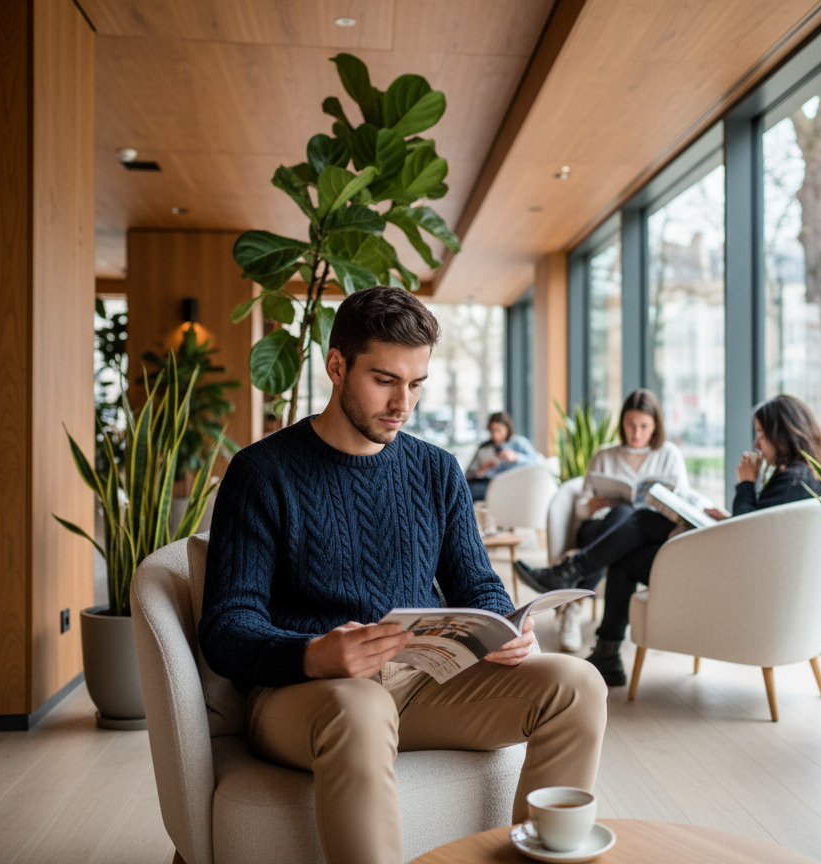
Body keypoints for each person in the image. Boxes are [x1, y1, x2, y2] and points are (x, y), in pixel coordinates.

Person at [197, 286, 606, 864]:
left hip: (421, 683)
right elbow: (226, 627)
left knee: (578, 684)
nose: (402, 403)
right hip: (305, 694)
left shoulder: (437, 470)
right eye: (385, 380)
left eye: (416, 384)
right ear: (336, 366)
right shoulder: (262, 473)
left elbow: (476, 583)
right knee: (361, 708)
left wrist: (505, 626)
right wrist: (312, 654)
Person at [568, 393, 821, 686]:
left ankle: (582, 594)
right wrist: (729, 519)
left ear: (783, 434)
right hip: (756, 576)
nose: (757, 444)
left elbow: (749, 538)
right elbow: (762, 529)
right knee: (641, 524)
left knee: (630, 547)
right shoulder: (808, 476)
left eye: (762, 435)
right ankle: (589, 611)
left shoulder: (792, 480)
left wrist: (747, 483)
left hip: (739, 580)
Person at [513, 389, 688, 657]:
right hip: (599, 527)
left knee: (628, 519)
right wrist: (592, 505)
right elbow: (581, 508)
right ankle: (604, 646)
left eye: (644, 426)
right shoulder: (605, 455)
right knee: (621, 515)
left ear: (655, 426)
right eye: (630, 424)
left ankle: (570, 583)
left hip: (646, 531)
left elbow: (681, 502)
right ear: (622, 423)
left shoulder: (669, 455)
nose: (636, 432)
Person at [464, 411, 540, 501]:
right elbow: (468, 474)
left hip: (510, 483)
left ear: (507, 428)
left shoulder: (518, 443)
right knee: (464, 488)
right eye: (492, 431)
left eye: (498, 430)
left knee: (469, 492)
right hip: (487, 482)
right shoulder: (484, 447)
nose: (495, 435)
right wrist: (483, 468)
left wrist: (515, 457)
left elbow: (536, 462)